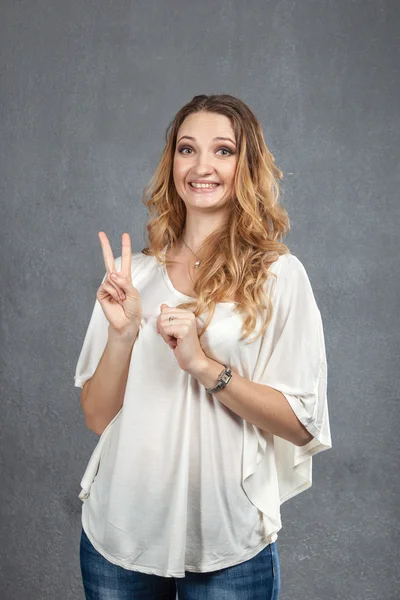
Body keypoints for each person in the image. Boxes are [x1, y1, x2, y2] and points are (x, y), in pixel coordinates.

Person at [74, 94, 332, 600]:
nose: (202, 166)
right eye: (187, 149)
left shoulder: (280, 277)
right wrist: (124, 335)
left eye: (223, 150)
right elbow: (98, 418)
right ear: (172, 163)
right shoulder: (135, 277)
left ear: (247, 164)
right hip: (120, 533)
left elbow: (302, 424)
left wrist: (202, 364)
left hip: (226, 541)